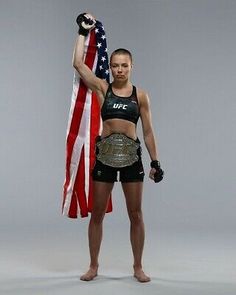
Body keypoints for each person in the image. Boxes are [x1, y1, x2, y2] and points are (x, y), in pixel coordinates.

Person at [72, 13, 164, 283]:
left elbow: (147, 131)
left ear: (132, 66)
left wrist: (156, 162)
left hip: (132, 159)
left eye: (124, 65)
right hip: (106, 158)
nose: (119, 70)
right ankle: (93, 265)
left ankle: (137, 266)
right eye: (115, 65)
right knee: (97, 213)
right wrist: (81, 32)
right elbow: (77, 64)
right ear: (110, 67)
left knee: (136, 214)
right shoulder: (102, 88)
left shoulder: (141, 95)